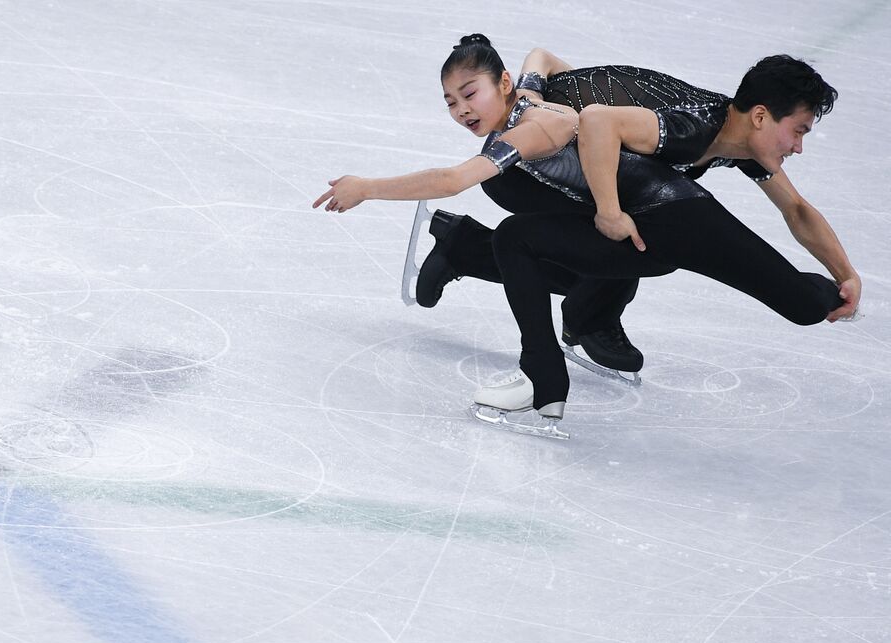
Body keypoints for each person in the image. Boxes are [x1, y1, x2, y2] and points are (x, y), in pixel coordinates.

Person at [479, 54, 856, 432]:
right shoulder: (691, 126)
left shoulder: (738, 137)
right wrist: (609, 212)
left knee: (574, 243)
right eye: (799, 131)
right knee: (529, 240)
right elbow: (598, 119)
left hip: (637, 197)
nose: (799, 146)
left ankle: (565, 330)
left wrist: (846, 274)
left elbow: (796, 209)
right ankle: (568, 344)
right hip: (526, 175)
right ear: (760, 116)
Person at [315, 35, 648, 378]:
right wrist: (366, 188)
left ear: (506, 82)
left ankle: (465, 248)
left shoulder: (531, 99)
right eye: (451, 102)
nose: (462, 109)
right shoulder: (524, 128)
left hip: (534, 176)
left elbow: (540, 56)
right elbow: (450, 180)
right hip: (518, 179)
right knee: (625, 238)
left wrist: (587, 106)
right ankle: (592, 316)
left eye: (470, 94)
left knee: (614, 244)